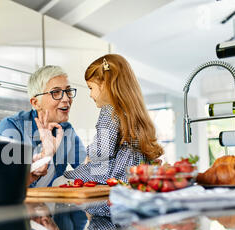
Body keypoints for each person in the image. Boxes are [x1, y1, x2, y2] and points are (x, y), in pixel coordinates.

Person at [62, 54, 164, 185]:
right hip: (133, 176)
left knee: (62, 180)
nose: (90, 94)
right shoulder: (133, 112)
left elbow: (102, 151)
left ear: (105, 85)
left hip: (113, 174)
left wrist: (89, 155)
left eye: (91, 88)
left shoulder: (109, 110)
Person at [0, 65, 87, 187]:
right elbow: (7, 182)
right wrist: (39, 165)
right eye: (56, 92)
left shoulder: (66, 129)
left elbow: (88, 169)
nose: (66, 99)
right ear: (36, 103)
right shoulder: (12, 127)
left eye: (68, 91)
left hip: (51, 203)